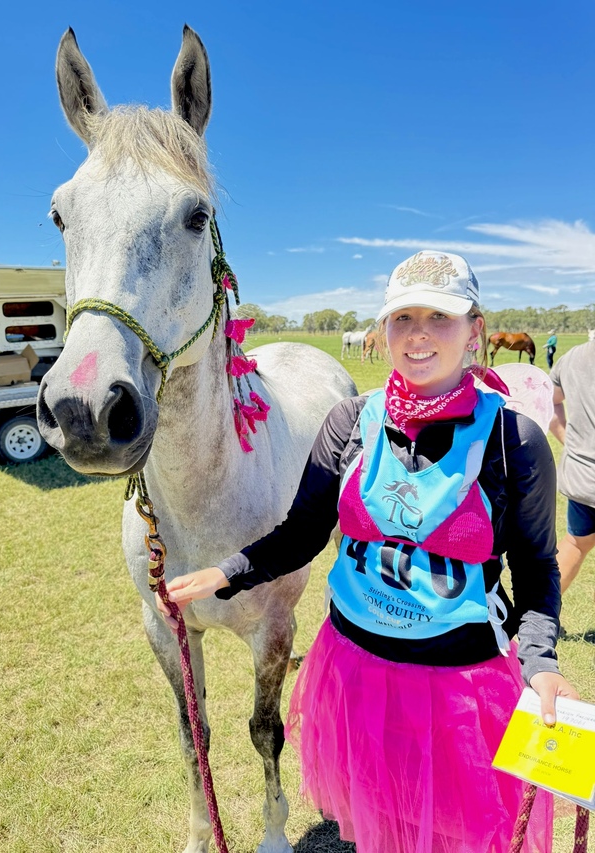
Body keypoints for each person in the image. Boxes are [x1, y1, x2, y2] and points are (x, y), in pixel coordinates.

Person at [158, 250, 579, 853]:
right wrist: (224, 574)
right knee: (376, 823)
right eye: (403, 318)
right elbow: (303, 533)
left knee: (455, 835)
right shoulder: (349, 422)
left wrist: (541, 661)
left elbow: (536, 566)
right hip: (355, 674)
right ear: (383, 330)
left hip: (461, 688)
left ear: (475, 330)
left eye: (440, 317)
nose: (418, 334)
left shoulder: (515, 442)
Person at [549, 338, 595, 594]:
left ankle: (539, 613)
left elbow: (550, 401)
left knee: (577, 543)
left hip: (582, 477)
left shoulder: (573, 357)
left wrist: (569, 441)